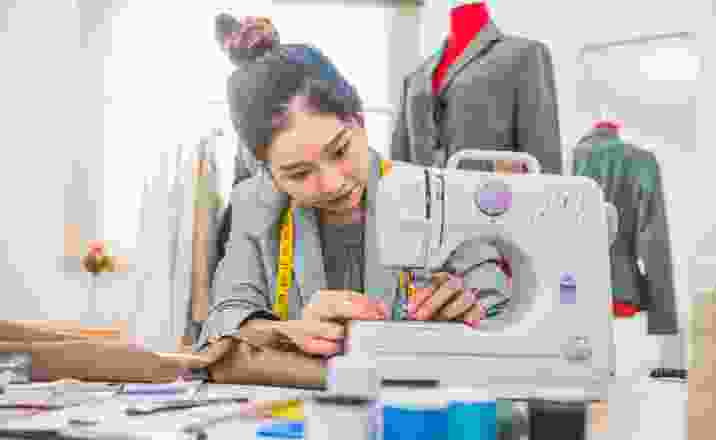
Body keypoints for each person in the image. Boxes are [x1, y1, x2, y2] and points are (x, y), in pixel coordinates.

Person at [196, 14, 509, 383]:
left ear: (359, 121)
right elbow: (220, 332)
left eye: (340, 150)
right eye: (298, 173)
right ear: (265, 169)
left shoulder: (438, 196)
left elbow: (505, 323)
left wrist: (465, 321)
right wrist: (286, 331)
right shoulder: (255, 205)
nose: (331, 183)